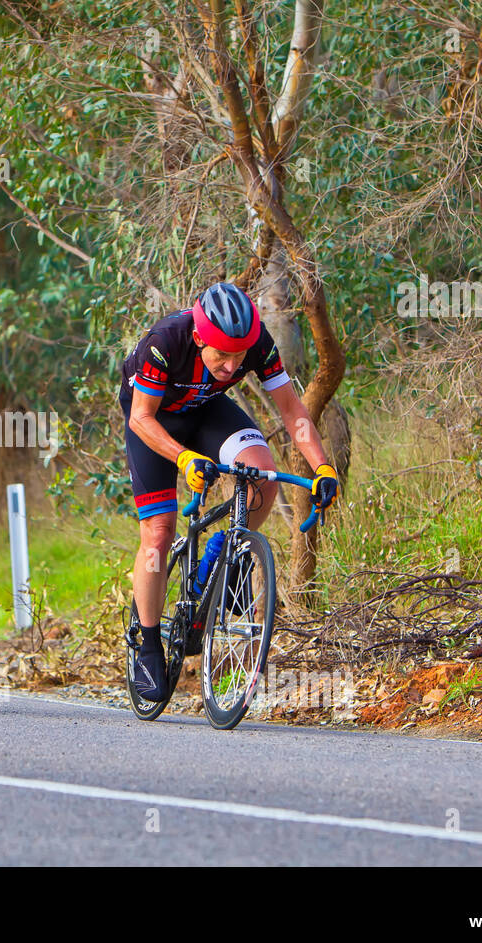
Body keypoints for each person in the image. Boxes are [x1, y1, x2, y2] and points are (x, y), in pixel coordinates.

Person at [120, 281, 340, 701]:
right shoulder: (163, 343)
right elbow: (141, 419)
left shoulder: (257, 341)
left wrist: (322, 466)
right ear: (200, 337)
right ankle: (147, 644)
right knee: (159, 532)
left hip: (205, 409)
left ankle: (225, 550)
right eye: (221, 354)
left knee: (263, 474)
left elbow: (292, 410)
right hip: (153, 421)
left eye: (238, 356)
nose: (231, 365)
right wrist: (183, 458)